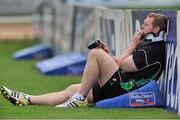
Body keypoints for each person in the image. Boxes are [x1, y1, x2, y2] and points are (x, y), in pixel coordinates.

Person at [0, 12, 167, 108]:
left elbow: (122, 65)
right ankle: (25, 98)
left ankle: (79, 99)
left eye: (146, 25)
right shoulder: (148, 46)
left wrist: (131, 45)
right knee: (71, 89)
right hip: (120, 84)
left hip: (123, 88)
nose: (141, 27)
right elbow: (123, 64)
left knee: (95, 53)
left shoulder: (153, 50)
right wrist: (109, 54)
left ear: (156, 29)